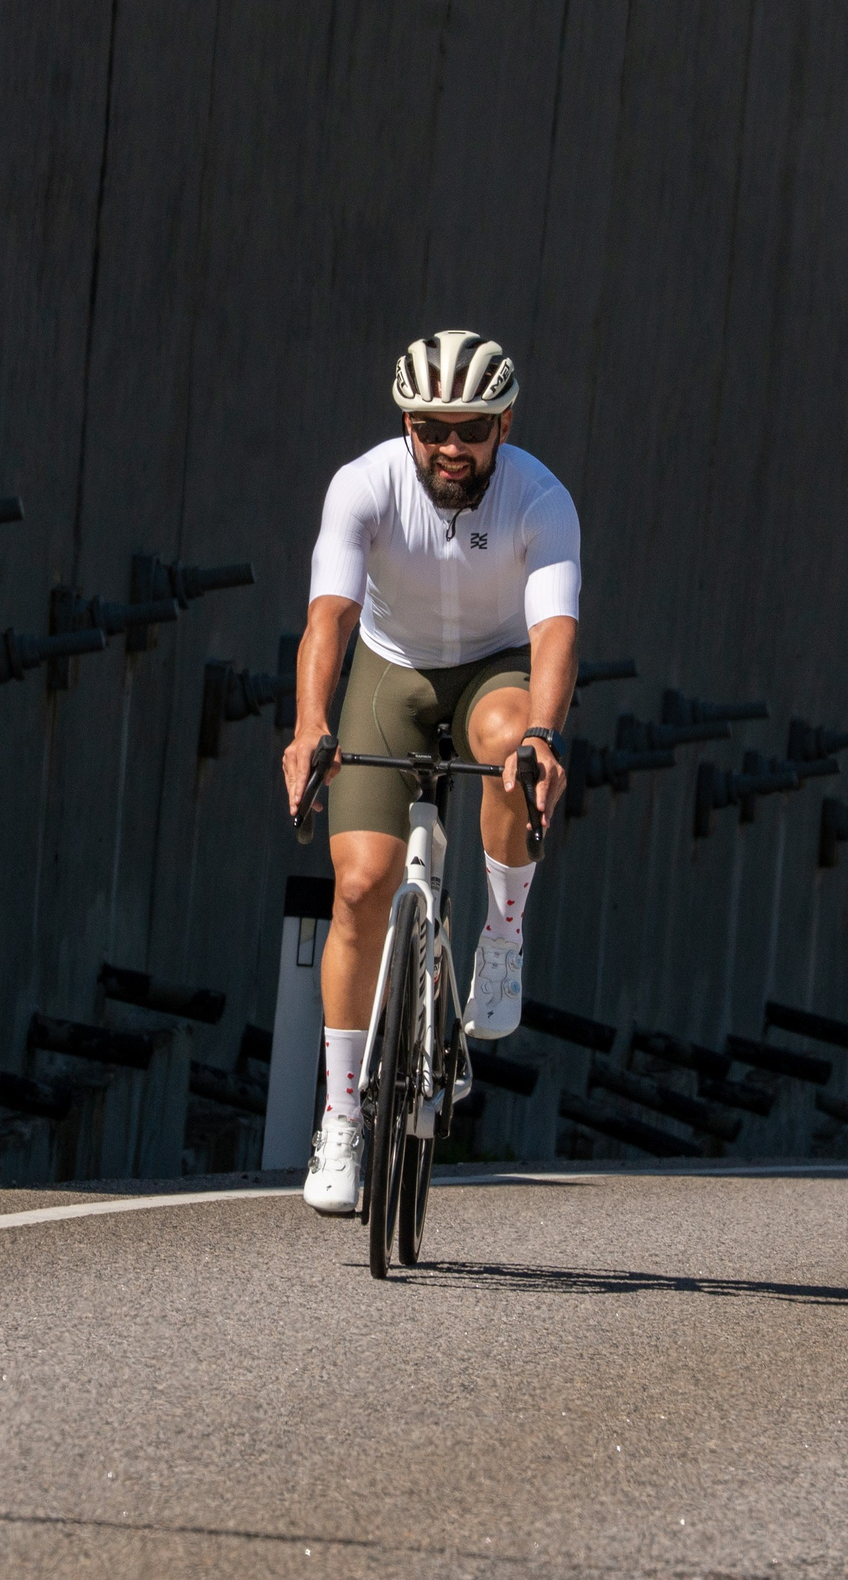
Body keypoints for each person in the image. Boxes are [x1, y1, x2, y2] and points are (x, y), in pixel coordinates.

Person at [281, 329, 580, 1214]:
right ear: (407, 424)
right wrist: (309, 728)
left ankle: (500, 939)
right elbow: (328, 618)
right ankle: (340, 1118)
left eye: (473, 428)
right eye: (432, 426)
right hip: (391, 669)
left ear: (504, 424)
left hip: (494, 667)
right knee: (361, 883)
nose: (452, 445)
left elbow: (556, 630)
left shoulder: (541, 498)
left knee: (509, 747)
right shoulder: (363, 484)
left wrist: (543, 735)